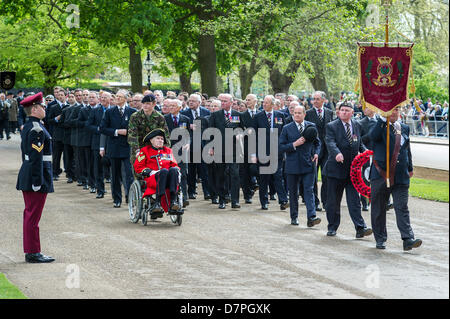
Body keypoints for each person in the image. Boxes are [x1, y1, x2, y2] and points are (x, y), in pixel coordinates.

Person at [369, 106, 422, 250]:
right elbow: (372, 138)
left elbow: (406, 149)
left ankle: (408, 239)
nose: (394, 112)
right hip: (381, 175)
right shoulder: (377, 125)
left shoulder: (403, 127)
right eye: (391, 110)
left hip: (400, 175)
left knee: (402, 207)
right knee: (379, 208)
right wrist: (382, 119)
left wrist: (409, 168)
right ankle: (380, 238)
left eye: (396, 109)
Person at [323, 102, 372, 238]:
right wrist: (337, 153)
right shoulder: (332, 126)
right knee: (333, 201)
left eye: (346, 110)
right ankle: (332, 227)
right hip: (335, 170)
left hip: (352, 171)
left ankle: (360, 228)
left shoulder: (356, 125)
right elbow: (330, 142)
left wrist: (366, 152)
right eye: (341, 110)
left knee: (354, 201)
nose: (343, 112)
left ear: (352, 112)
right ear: (338, 112)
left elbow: (359, 142)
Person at [16, 92, 55, 263]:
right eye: (42, 106)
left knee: (30, 215)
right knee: (33, 216)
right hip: (36, 176)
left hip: (31, 174)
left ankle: (32, 250)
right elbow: (35, 158)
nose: (45, 108)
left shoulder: (30, 126)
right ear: (35, 109)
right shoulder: (36, 129)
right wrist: (37, 181)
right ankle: (33, 252)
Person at [280, 105, 322, 227]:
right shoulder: (287, 128)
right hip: (292, 166)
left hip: (308, 164)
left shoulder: (311, 126)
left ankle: (312, 217)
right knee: (293, 192)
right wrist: (294, 144)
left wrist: (316, 153)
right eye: (295, 113)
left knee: (309, 190)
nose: (297, 115)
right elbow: (280, 146)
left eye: (299, 113)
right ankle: (294, 216)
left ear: (304, 114)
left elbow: (318, 143)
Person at [100, 89, 137, 208]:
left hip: (127, 147)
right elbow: (102, 128)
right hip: (114, 147)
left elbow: (137, 129)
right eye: (116, 96)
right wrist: (116, 131)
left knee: (129, 174)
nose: (117, 98)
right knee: (115, 175)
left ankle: (129, 197)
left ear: (126, 99)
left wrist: (128, 132)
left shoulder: (132, 112)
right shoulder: (110, 112)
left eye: (120, 97)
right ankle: (117, 199)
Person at [209, 93, 245, 209]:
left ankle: (235, 201)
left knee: (235, 174)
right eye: (221, 101)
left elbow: (243, 129)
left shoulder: (237, 115)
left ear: (231, 102)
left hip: (234, 150)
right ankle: (222, 199)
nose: (223, 103)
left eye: (225, 101)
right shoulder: (215, 115)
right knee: (221, 175)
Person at [252, 95, 289, 211]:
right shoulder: (258, 116)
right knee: (264, 178)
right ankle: (264, 201)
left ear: (273, 105)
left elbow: (284, 134)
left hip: (277, 151)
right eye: (263, 102)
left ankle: (283, 200)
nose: (264, 104)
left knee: (278, 176)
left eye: (267, 103)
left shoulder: (280, 116)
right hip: (262, 152)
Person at [133, 129, 181, 216]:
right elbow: (138, 166)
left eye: (162, 139)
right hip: (153, 179)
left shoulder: (168, 151)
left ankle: (173, 202)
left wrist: (177, 170)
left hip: (168, 179)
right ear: (151, 140)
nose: (160, 140)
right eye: (158, 138)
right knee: (163, 171)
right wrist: (150, 172)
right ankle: (157, 203)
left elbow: (174, 164)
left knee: (173, 170)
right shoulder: (145, 151)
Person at [305, 91, 334, 212]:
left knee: (326, 176)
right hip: (314, 150)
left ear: (323, 100)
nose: (315, 101)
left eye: (317, 99)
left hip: (327, 150)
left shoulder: (330, 113)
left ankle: (326, 202)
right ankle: (315, 202)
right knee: (313, 177)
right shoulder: (308, 113)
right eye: (313, 99)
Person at [128, 94, 170, 168]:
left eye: (148, 103)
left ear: (154, 104)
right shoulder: (135, 116)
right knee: (139, 175)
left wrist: (164, 151)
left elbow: (165, 135)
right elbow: (132, 135)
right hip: (139, 149)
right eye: (143, 103)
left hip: (154, 151)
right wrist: (137, 150)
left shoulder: (159, 117)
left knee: (154, 176)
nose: (145, 106)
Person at [164, 99, 191, 207]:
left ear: (180, 108)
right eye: (170, 106)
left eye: (173, 106)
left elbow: (189, 135)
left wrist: (188, 143)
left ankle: (184, 197)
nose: (171, 108)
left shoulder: (186, 119)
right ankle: (169, 196)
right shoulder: (164, 119)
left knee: (183, 174)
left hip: (181, 151)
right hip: (168, 151)